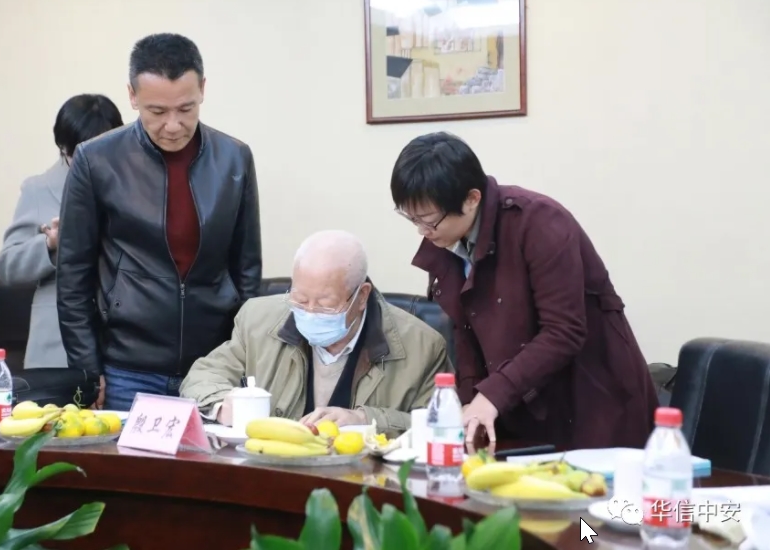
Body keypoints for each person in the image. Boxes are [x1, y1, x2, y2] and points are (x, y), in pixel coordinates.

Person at [390, 132, 658, 449]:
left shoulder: (539, 222)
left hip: (590, 400)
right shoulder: (447, 242)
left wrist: (491, 396)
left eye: (429, 220)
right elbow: (465, 332)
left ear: (472, 199)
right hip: (519, 407)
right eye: (412, 219)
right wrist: (470, 402)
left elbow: (564, 331)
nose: (422, 231)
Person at [57, 33, 262, 410]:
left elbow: (246, 269)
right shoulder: (96, 160)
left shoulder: (234, 158)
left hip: (213, 368)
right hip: (125, 370)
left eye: (186, 109)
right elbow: (73, 276)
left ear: (202, 89)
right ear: (132, 96)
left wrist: (245, 359)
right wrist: (87, 368)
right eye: (157, 112)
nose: (173, 125)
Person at [180, 230, 451, 433]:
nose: (310, 312)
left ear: (361, 296)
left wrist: (366, 420)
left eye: (325, 304)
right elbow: (202, 376)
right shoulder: (258, 320)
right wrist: (223, 405)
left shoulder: (422, 346)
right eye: (300, 299)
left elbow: (441, 427)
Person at [0, 94, 124, 368]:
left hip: (123, 337)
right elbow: (7, 266)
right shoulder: (38, 189)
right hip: (56, 342)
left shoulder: (134, 185)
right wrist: (50, 245)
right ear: (63, 147)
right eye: (80, 153)